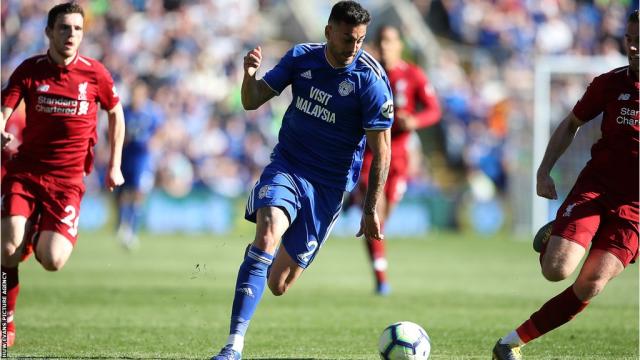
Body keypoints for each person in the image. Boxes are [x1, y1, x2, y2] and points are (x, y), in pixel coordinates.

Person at [211, 1, 393, 359]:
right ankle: (233, 346)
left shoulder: (370, 81)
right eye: (346, 39)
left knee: (278, 284)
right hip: (289, 167)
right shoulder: (301, 58)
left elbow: (381, 151)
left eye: (359, 41)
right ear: (328, 32)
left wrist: (371, 208)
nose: (352, 48)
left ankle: (269, 255)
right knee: (266, 234)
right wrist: (249, 75)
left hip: (328, 187)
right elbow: (252, 101)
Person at [492, 10, 638, 360]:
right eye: (630, 38)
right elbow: (572, 123)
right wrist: (544, 170)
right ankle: (559, 231)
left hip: (635, 208)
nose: (634, 47)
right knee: (555, 270)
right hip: (596, 190)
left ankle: (511, 343)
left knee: (591, 283)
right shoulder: (609, 83)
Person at [0, 2, 125, 347]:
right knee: (7, 244)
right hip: (25, 173)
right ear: (49, 33)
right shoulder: (29, 70)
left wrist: (114, 164)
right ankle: (4, 321)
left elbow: (116, 113)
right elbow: (4, 108)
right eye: (64, 28)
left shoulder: (95, 74)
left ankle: (36, 238)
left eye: (77, 29)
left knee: (52, 260)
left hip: (67, 183)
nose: (71, 35)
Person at [357, 25, 441, 295]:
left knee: (385, 218)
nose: (384, 46)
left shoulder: (412, 74)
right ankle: (381, 277)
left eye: (389, 41)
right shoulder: (366, 73)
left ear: (399, 45)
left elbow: (434, 110)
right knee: (375, 214)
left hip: (400, 156)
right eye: (380, 41)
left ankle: (379, 268)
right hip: (369, 153)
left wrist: (414, 119)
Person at [116, 81, 164, 249]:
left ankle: (132, 231)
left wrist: (155, 142)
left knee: (138, 193)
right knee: (124, 193)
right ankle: (122, 224)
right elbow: (117, 129)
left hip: (143, 159)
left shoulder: (152, 112)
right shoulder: (125, 110)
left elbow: (160, 131)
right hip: (126, 156)